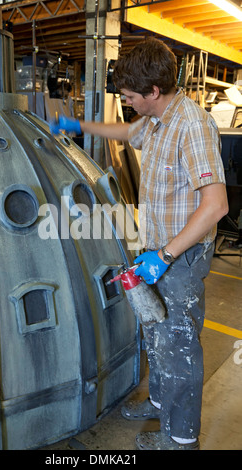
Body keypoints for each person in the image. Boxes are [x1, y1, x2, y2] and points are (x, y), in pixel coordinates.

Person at [50, 37, 228, 450]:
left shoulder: (191, 127)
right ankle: (160, 400)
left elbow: (216, 205)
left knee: (179, 346)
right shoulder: (156, 119)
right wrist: (79, 127)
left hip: (178, 258)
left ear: (153, 92)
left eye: (131, 96)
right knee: (157, 333)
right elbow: (129, 130)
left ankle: (181, 439)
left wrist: (164, 256)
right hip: (155, 249)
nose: (127, 102)